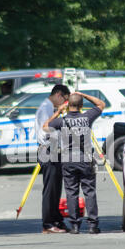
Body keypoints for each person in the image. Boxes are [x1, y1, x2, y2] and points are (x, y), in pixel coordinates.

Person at [43, 91, 105, 234]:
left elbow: (45, 126)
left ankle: (75, 225)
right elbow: (101, 104)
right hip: (85, 159)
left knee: (71, 192)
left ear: (68, 105)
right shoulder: (87, 117)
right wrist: (84, 94)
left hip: (68, 160)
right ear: (81, 105)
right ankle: (92, 225)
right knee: (89, 192)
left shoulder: (61, 121)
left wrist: (58, 112)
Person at [35, 84, 71, 234]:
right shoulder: (46, 107)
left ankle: (57, 219)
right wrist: (59, 114)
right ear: (58, 94)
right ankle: (48, 223)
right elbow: (45, 130)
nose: (64, 104)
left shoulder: (50, 107)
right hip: (47, 150)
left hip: (55, 151)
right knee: (50, 189)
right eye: (64, 100)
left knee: (56, 188)